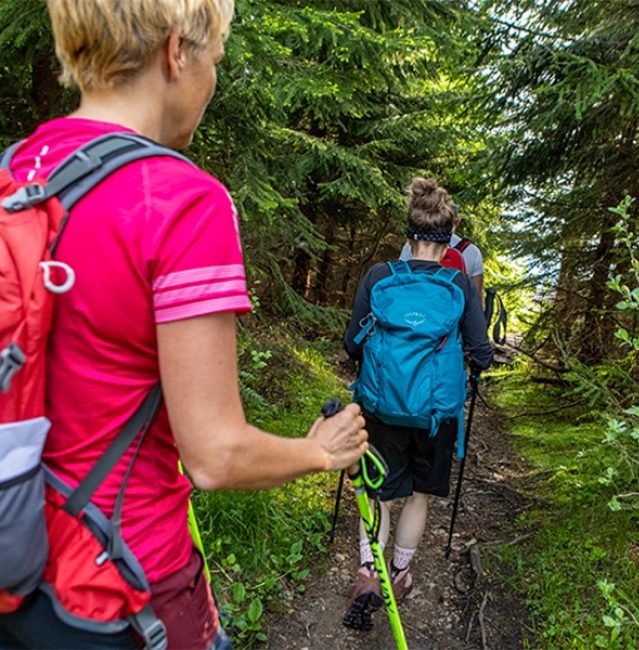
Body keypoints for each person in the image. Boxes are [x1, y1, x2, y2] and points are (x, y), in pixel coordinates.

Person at [0, 1, 368, 648]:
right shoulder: (180, 201)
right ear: (177, 52)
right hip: (123, 584)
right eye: (215, 60)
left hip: (13, 555)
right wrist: (320, 451)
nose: (212, 80)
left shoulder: (14, 172)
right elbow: (215, 456)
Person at [343, 178, 492, 628]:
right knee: (419, 495)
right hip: (436, 412)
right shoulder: (459, 283)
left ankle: (368, 573)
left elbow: (352, 342)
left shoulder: (379, 277)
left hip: (380, 405)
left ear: (408, 236)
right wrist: (477, 362)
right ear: (450, 240)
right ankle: (401, 573)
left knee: (378, 493)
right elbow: (480, 349)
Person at [400, 201, 484, 299]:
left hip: (415, 307)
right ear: (457, 222)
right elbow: (476, 297)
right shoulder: (472, 252)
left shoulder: (414, 245)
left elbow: (401, 279)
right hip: (455, 312)